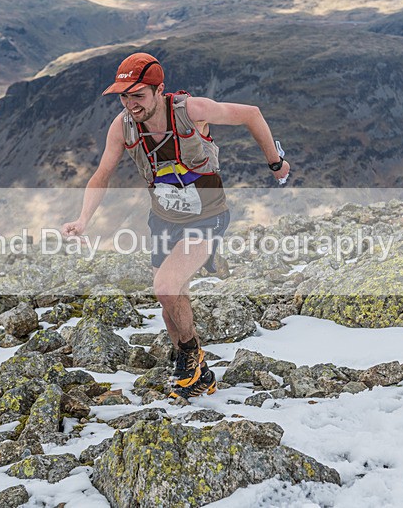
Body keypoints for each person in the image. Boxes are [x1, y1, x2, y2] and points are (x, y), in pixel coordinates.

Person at [62, 52, 289, 400]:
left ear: (158, 90)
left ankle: (189, 355)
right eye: (124, 96)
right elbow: (101, 174)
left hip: (208, 216)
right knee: (172, 298)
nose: (129, 104)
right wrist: (83, 219)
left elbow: (251, 115)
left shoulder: (191, 111)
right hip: (164, 220)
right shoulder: (122, 127)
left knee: (165, 286)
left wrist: (276, 162)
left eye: (137, 95)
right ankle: (197, 374)